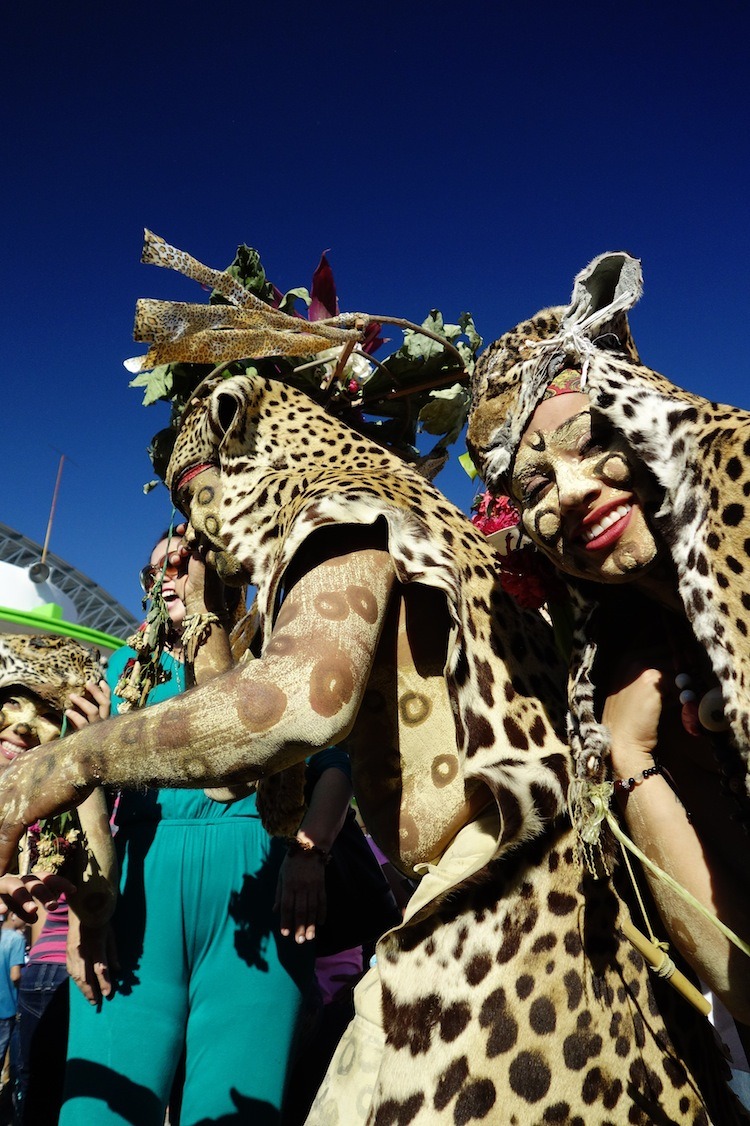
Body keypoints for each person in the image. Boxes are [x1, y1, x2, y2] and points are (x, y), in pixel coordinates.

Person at [0, 235, 746, 1124]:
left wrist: (53, 769)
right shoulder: (450, 533)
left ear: (246, 435)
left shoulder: (344, 509)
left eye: (198, 493)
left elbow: (293, 705)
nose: (206, 530)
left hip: (498, 931)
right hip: (565, 927)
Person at [466, 250, 750, 1091]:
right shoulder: (633, 668)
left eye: (592, 444)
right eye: (536, 484)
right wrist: (627, 758)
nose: (574, 491)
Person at [62, 530, 350, 1126]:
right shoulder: (126, 670)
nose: (167, 576)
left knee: (235, 1105)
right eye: (153, 572)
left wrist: (309, 854)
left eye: (183, 561)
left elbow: (333, 766)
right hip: (141, 889)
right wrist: (83, 916)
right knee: (100, 1109)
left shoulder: (277, 656)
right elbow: (82, 797)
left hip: (257, 882)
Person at [0, 634, 114, 1125]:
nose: (22, 727)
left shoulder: (47, 793)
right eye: (11, 704)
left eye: (44, 713)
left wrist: (84, 758)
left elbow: (97, 865)